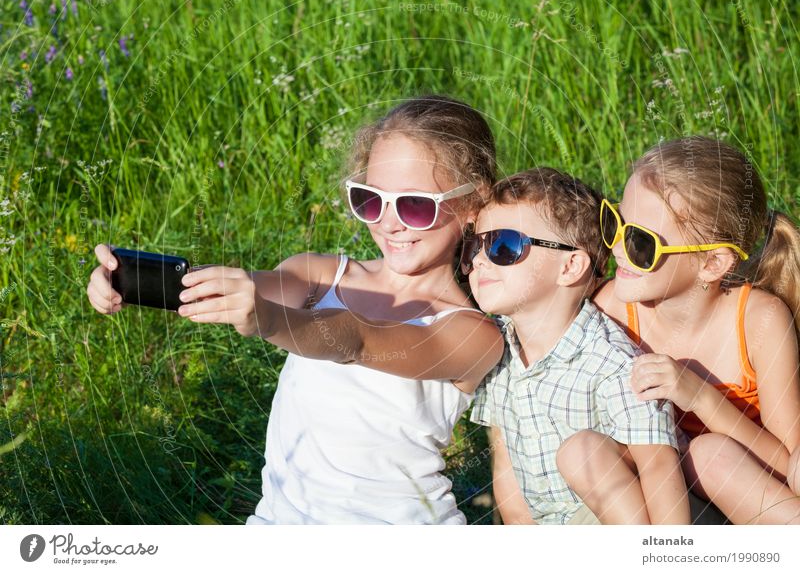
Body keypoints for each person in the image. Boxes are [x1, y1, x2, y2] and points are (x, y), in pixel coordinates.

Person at [87, 95, 505, 524]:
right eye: (371, 200)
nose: (389, 222)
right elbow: (234, 286)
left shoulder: (472, 333)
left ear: (473, 204)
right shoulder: (320, 275)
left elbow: (358, 340)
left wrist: (266, 318)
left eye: (415, 205)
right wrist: (126, 280)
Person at [558, 136, 800, 524]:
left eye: (641, 242)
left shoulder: (759, 321)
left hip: (753, 502)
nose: (618, 247)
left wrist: (702, 399)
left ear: (711, 264)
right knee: (585, 449)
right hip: (667, 506)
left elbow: (789, 464)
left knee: (709, 456)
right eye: (615, 222)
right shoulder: (614, 310)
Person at [466, 168, 688, 525]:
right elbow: (506, 466)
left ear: (570, 266)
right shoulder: (498, 352)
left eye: (502, 246)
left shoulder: (611, 361)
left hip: (637, 522)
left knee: (583, 452)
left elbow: (659, 466)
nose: (479, 260)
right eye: (476, 246)